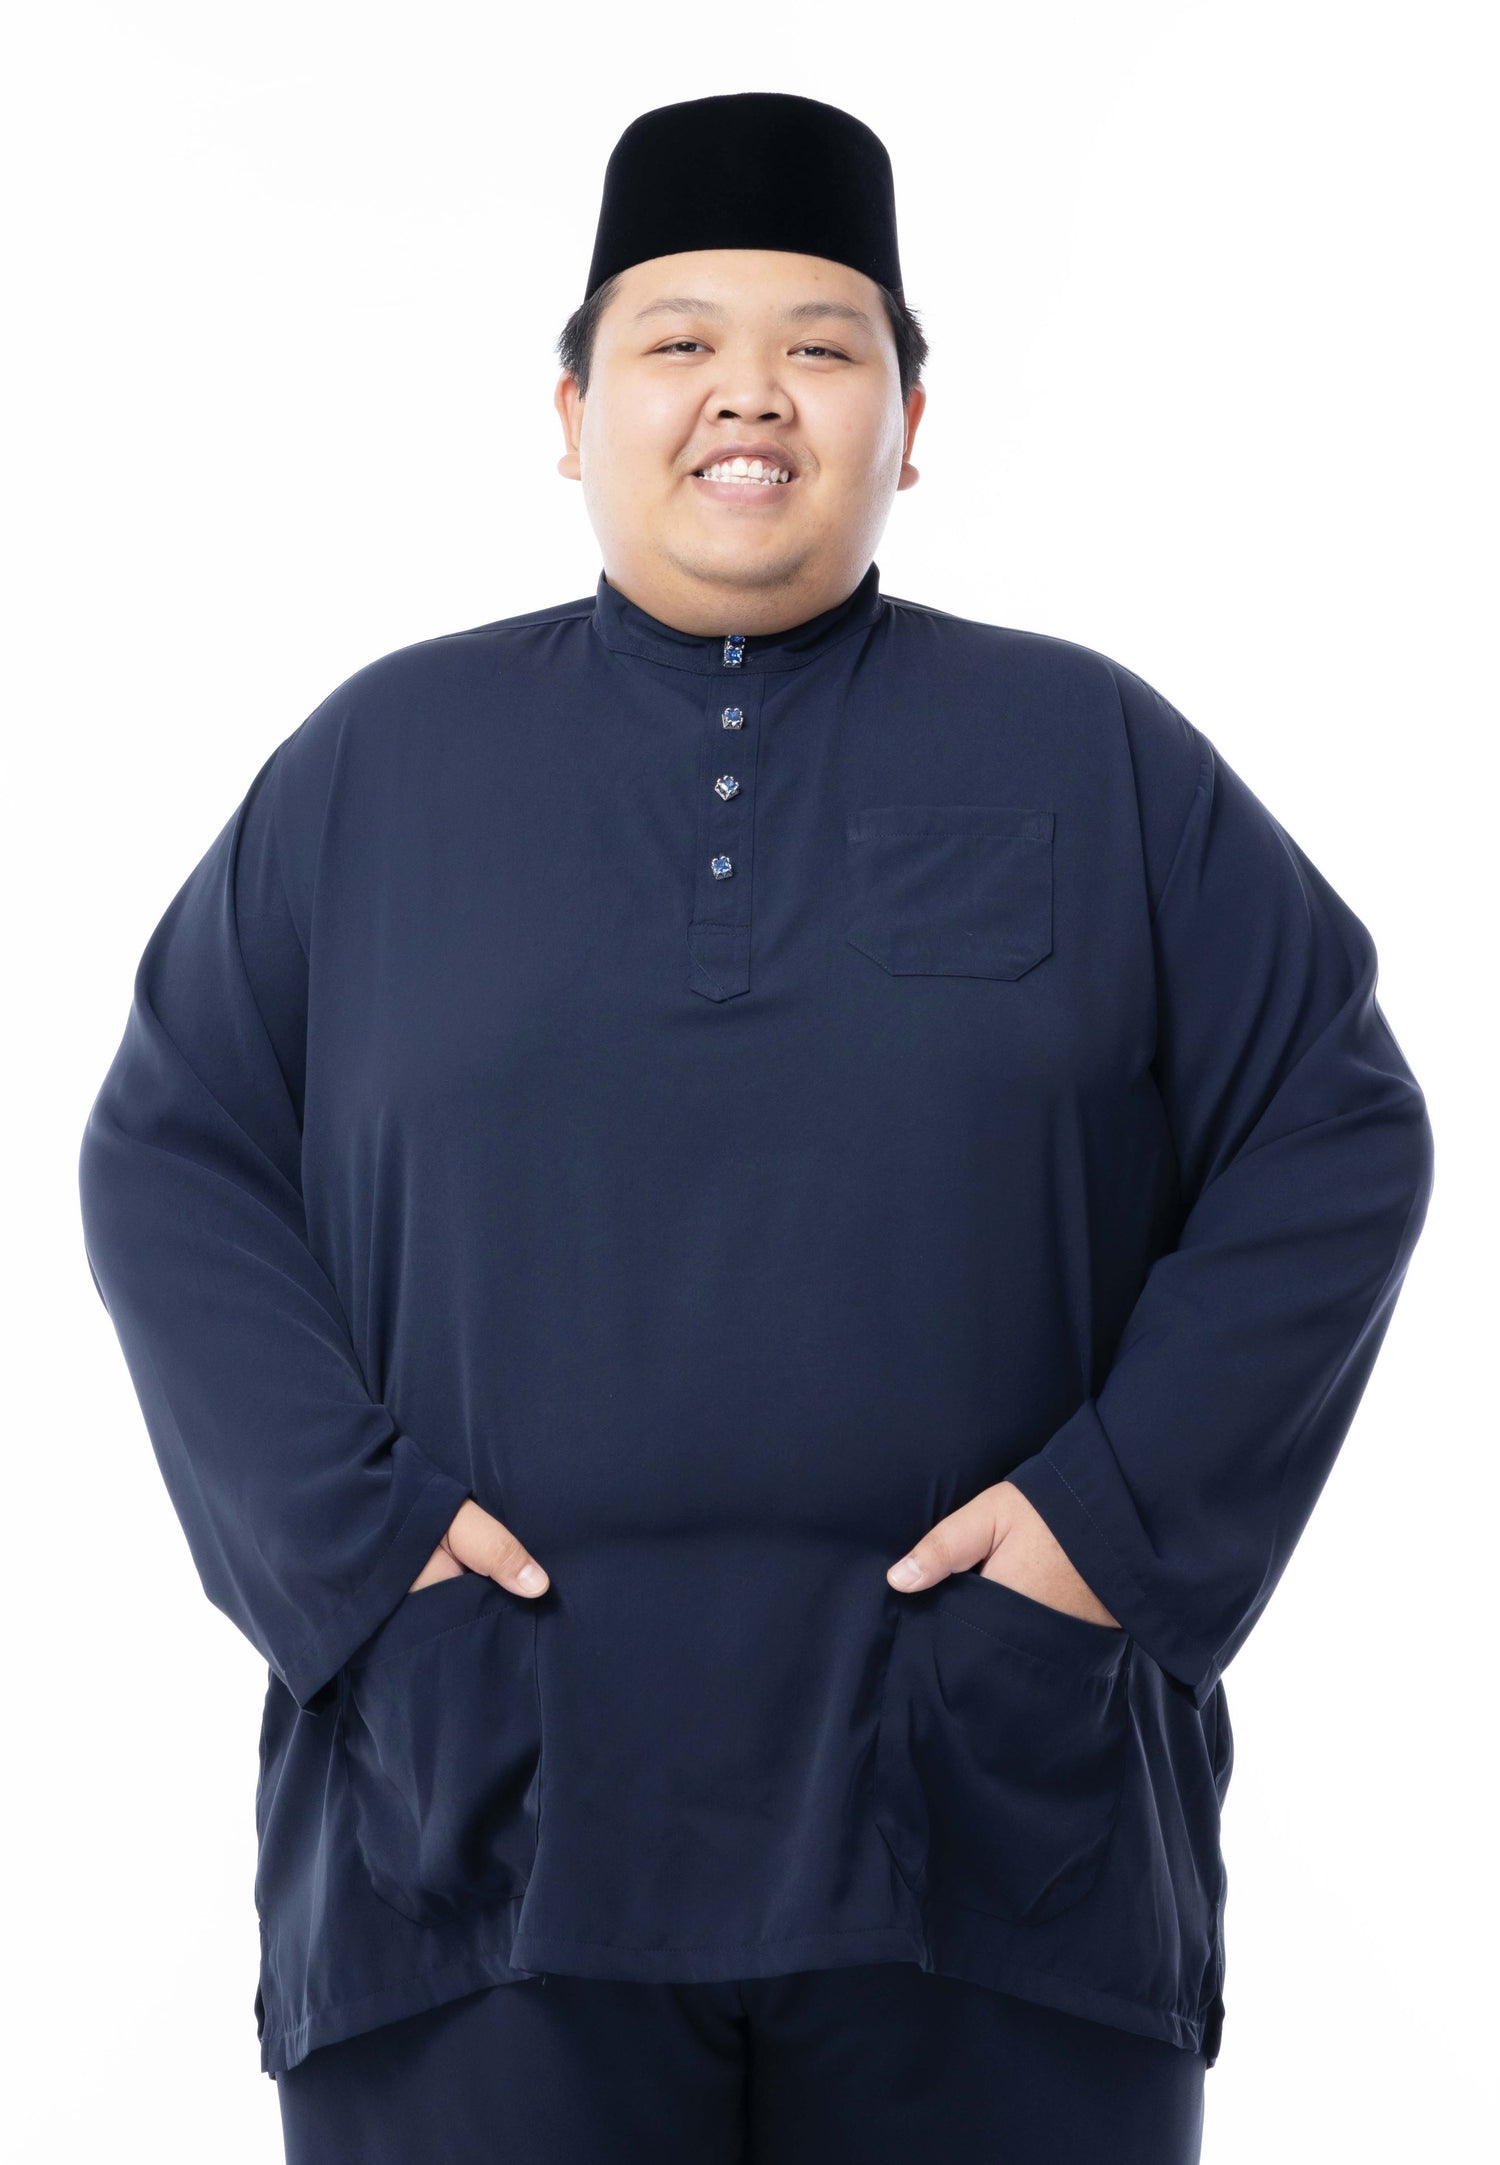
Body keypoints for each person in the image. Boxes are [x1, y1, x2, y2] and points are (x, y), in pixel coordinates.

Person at [78, 91, 1435, 2164]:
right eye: (679, 340)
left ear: (912, 418)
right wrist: (361, 1565)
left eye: (821, 344)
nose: (751, 392)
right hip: (480, 1830)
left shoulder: (1092, 752)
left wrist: (1109, 1534)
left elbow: (1330, 1128)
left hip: (992, 1828)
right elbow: (172, 1155)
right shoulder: (376, 769)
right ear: (570, 413)